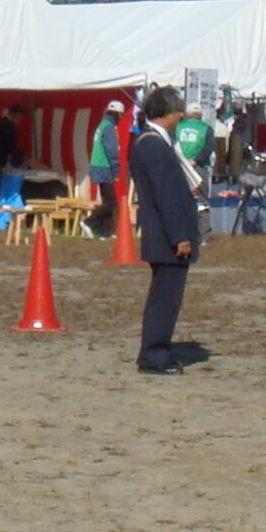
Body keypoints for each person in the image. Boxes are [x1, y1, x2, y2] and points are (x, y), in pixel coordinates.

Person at [128, 85, 200, 375]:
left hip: (163, 234)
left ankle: (155, 351)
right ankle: (154, 355)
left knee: (165, 297)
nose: (180, 117)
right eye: (178, 112)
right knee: (165, 300)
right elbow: (166, 195)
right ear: (167, 113)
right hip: (166, 237)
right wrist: (180, 236)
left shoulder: (151, 142)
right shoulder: (153, 145)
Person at [85, 99, 128, 238]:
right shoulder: (109, 127)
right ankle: (88, 222)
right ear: (118, 114)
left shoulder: (102, 125)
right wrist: (116, 171)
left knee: (107, 201)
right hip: (104, 167)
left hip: (96, 166)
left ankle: (106, 232)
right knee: (111, 202)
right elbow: (112, 151)